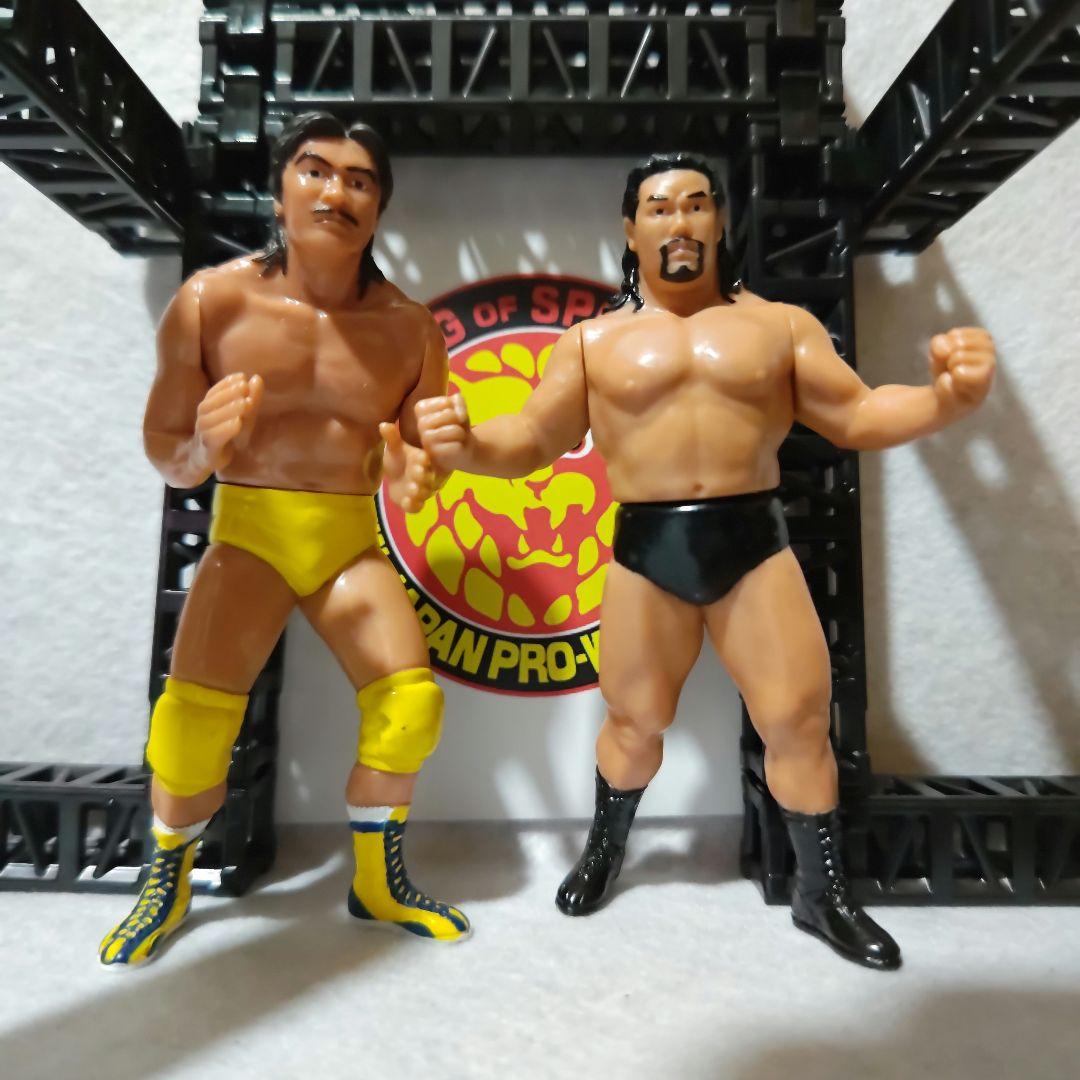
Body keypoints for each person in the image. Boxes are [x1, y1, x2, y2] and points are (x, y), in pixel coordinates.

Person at [415, 152, 995, 970]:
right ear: (631, 229)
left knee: (798, 720)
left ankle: (821, 893)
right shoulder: (591, 341)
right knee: (634, 721)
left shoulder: (780, 326)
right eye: (660, 208)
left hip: (752, 542)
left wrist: (943, 400)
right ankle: (605, 848)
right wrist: (470, 443)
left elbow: (857, 412)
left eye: (695, 204)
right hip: (648, 549)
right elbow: (535, 437)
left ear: (720, 221)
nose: (679, 222)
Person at [99, 112, 469, 967]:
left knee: (411, 707)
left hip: (347, 541)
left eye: (359, 180)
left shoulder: (410, 328)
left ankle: (376, 881)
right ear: (279, 191)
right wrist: (202, 446)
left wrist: (417, 472)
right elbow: (165, 449)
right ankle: (168, 878)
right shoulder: (212, 302)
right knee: (189, 726)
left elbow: (421, 458)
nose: (336, 191)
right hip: (249, 537)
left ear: (379, 208)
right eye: (316, 170)